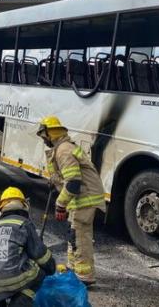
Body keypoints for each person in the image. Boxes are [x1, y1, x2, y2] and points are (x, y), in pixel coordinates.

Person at [36, 116, 105, 285]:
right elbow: (67, 178)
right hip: (80, 199)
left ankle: (84, 277)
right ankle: (73, 270)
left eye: (44, 135)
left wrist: (60, 204)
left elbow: (74, 182)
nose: (43, 139)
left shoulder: (63, 150)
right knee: (73, 234)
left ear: (51, 134)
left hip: (85, 198)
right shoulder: (62, 148)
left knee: (80, 238)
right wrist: (55, 181)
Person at [0, 187, 56, 306]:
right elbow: (40, 254)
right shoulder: (24, 223)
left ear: (1, 208)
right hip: (9, 278)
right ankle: (19, 303)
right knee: (39, 273)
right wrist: (51, 268)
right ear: (23, 205)